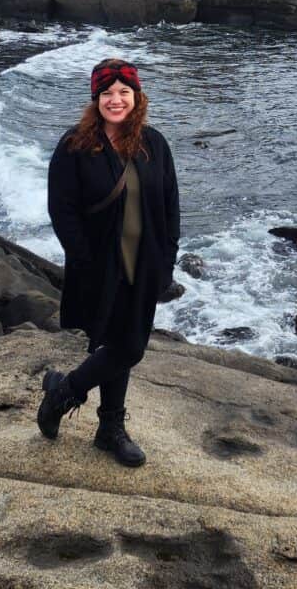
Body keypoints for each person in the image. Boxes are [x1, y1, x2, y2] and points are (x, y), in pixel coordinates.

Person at [38, 57, 180, 467]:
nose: (116, 100)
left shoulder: (154, 144)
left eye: (123, 92)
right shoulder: (75, 146)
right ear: (95, 99)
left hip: (145, 264)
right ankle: (87, 411)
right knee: (126, 347)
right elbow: (61, 210)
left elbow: (171, 208)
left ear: (137, 96)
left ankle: (89, 413)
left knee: (122, 343)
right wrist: (84, 258)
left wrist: (167, 261)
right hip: (101, 267)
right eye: (107, 93)